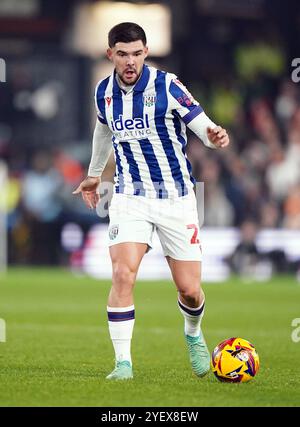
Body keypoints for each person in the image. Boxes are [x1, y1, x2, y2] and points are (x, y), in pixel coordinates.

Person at [73, 22, 230, 380]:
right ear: (110, 53)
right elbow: (103, 129)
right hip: (130, 195)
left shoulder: (167, 85)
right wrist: (96, 174)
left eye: (137, 53)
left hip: (176, 197)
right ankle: (123, 363)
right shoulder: (103, 91)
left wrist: (214, 135)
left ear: (146, 52)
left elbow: (201, 124)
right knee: (122, 273)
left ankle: (192, 333)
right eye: (123, 54)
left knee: (190, 290)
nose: (131, 61)